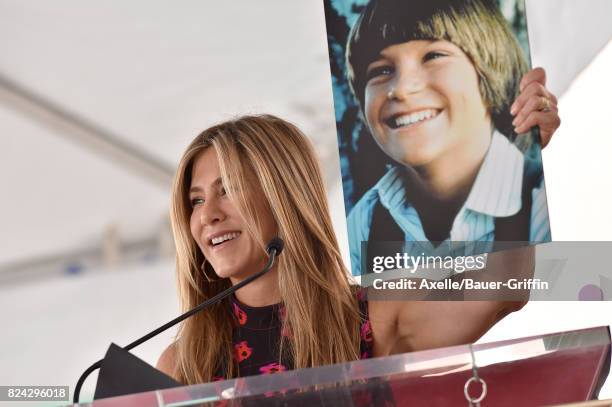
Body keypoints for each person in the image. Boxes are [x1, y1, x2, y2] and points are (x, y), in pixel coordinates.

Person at [156, 113, 555, 385]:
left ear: (284, 198)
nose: (207, 214)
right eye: (195, 200)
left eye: (228, 190)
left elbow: (505, 285)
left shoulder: (369, 317)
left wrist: (517, 147)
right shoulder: (180, 366)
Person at [345, 0, 561, 275]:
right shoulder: (365, 221)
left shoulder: (538, 202)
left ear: (489, 72)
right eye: (381, 70)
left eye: (433, 56)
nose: (401, 89)